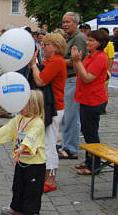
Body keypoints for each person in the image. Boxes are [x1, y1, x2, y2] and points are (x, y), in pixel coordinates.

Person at [0, 90, 45, 215]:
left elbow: (30, 138)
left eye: (23, 103)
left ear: (33, 106)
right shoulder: (19, 118)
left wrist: (21, 149)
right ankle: (17, 208)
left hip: (35, 164)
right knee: (18, 186)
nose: (19, 106)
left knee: (32, 191)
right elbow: (8, 129)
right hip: (20, 160)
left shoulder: (38, 123)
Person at [29, 33, 67, 193]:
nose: (43, 47)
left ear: (56, 47)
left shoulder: (57, 62)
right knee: (45, 141)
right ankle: (46, 175)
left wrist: (33, 66)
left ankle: (50, 179)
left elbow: (41, 80)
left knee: (50, 143)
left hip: (54, 107)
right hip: (50, 106)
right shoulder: (52, 61)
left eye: (46, 45)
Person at [71, 29, 109, 175]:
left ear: (100, 43)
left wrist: (78, 61)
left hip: (93, 100)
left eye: (91, 40)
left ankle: (94, 165)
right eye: (88, 39)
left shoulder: (100, 58)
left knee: (91, 133)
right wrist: (77, 61)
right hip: (85, 98)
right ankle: (89, 160)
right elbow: (79, 71)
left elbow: (87, 77)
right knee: (87, 132)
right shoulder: (91, 55)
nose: (87, 42)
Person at [59, 12, 87, 159]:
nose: (65, 25)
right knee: (66, 116)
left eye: (68, 22)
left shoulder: (79, 38)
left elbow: (77, 60)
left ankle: (71, 148)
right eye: (63, 22)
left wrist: (57, 62)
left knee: (71, 116)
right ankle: (66, 144)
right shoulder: (69, 38)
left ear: (76, 23)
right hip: (67, 79)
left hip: (73, 79)